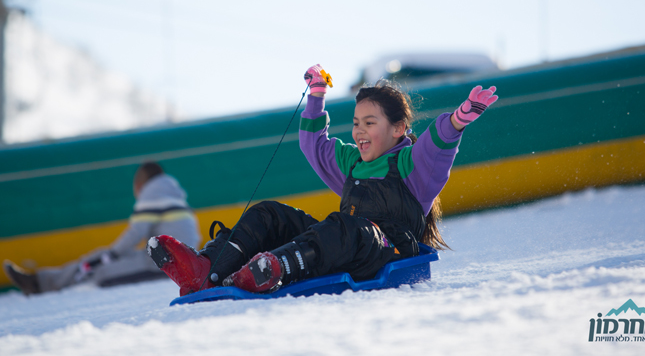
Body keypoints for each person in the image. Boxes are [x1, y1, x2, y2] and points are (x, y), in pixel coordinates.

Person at [147, 65, 498, 296]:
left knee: (348, 226)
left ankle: (273, 268)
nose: (359, 131)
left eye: (370, 123)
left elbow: (437, 145)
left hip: (386, 252)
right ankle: (207, 268)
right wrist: (316, 97)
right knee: (270, 213)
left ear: (398, 130)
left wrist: (458, 120)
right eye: (357, 122)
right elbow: (314, 144)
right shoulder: (353, 163)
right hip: (344, 242)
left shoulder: (413, 166)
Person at [3, 161, 201, 295]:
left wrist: (112, 254)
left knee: (99, 269)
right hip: (174, 262)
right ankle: (41, 281)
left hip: (163, 266)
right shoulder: (175, 195)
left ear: (139, 185)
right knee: (101, 260)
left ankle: (40, 283)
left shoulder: (153, 193)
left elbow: (135, 234)